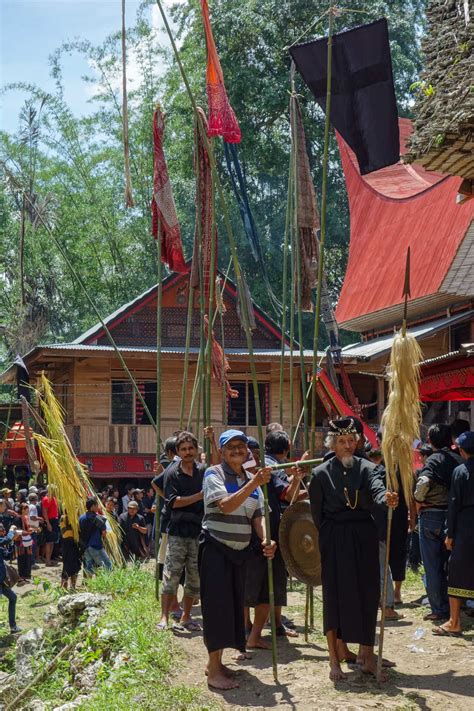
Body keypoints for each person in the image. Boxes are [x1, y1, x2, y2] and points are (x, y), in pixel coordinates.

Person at [309, 418, 398, 681]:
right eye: (341, 442)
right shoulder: (320, 473)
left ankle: (367, 657)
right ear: (332, 445)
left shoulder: (369, 468)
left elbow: (378, 490)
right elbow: (317, 516)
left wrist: (386, 499)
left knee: (367, 593)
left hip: (364, 536)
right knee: (335, 596)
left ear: (357, 442)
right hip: (334, 539)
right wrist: (330, 538)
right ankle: (334, 660)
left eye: (351, 441)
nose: (347, 446)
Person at [200, 429, 276, 691]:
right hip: (215, 549)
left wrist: (266, 539)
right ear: (221, 451)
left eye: (241, 446)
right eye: (230, 446)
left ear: (247, 451)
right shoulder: (214, 474)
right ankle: (213, 669)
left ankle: (217, 663)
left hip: (240, 552)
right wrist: (254, 484)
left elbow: (257, 515)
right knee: (216, 609)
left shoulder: (250, 478)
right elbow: (226, 505)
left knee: (233, 607)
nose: (236, 450)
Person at [245, 430, 305, 648]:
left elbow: (288, 495)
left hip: (272, 534)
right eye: (246, 453)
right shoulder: (230, 476)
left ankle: (272, 626)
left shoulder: (268, 474)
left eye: (252, 453)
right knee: (247, 585)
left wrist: (297, 478)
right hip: (246, 539)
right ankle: (247, 628)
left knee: (273, 581)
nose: (250, 457)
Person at [158, 431, 206, 631]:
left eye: (191, 448)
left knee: (194, 578)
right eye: (184, 449)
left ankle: (186, 616)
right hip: (177, 531)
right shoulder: (172, 473)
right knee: (171, 575)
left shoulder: (203, 471)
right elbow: (173, 503)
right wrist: (199, 496)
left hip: (197, 532)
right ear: (177, 451)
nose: (188, 452)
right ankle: (164, 617)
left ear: (196, 449)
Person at [414, 424, 463, 621]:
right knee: (450, 566)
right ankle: (455, 608)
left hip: (430, 516)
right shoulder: (459, 459)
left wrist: (418, 499)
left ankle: (439, 609)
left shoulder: (432, 460)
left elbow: (423, 482)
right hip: (453, 519)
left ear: (430, 440)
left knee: (432, 566)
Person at [433, 431, 474, 636]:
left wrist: (449, 534)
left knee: (457, 573)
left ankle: (455, 621)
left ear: (462, 450)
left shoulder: (460, 472)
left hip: (466, 527)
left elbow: (454, 505)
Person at [79, 498, 112, 575]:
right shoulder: (98, 518)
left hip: (85, 546)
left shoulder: (81, 518)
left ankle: (88, 585)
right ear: (92, 506)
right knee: (108, 566)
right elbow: (104, 533)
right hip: (96, 546)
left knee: (89, 569)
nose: (98, 507)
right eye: (97, 505)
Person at [0, 522, 22, 633]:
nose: (2, 532)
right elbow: (6, 540)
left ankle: (13, 627)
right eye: (1, 530)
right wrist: (11, 532)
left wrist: (13, 540)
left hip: (2, 580)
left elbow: (8, 555)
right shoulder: (2, 540)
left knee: (13, 598)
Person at [59, 511, 81, 590]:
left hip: (74, 545)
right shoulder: (63, 518)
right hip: (67, 544)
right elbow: (65, 533)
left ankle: (73, 586)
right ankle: (64, 588)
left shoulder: (76, 518)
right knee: (67, 566)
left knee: (75, 566)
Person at [41, 485, 60, 566]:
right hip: (50, 521)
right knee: (49, 542)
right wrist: (48, 523)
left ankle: (49, 559)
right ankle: (47, 560)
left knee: (52, 541)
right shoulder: (46, 499)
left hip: (54, 521)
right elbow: (44, 512)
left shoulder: (54, 498)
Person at [16, 502, 33, 583]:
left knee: (27, 559)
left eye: (27, 509)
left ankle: (25, 576)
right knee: (22, 559)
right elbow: (17, 531)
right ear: (22, 510)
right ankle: (20, 577)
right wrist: (27, 532)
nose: (27, 510)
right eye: (26, 509)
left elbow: (28, 528)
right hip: (21, 543)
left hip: (27, 542)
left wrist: (33, 530)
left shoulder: (26, 517)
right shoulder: (18, 518)